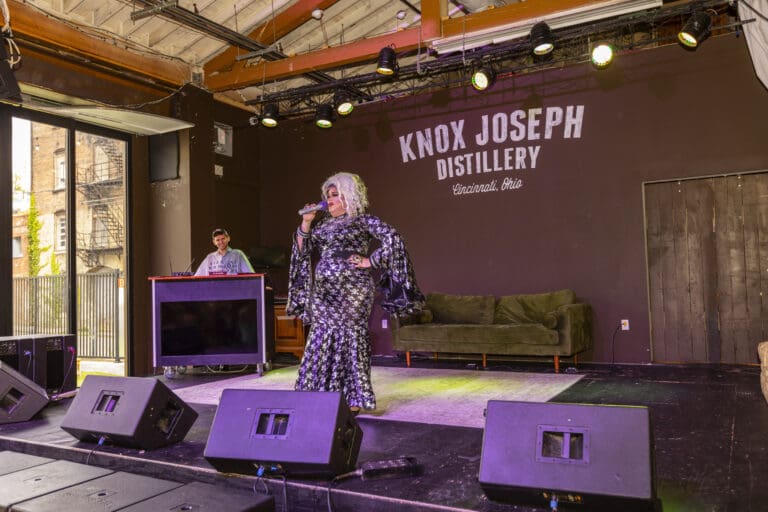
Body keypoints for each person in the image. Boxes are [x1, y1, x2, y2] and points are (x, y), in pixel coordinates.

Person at [287, 172, 423, 413]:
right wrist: (306, 222)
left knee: (351, 338)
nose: (329, 200)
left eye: (335, 195)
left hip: (354, 290)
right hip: (324, 292)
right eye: (327, 195)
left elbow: (394, 239)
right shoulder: (323, 225)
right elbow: (303, 250)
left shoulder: (362, 220)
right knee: (321, 337)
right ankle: (320, 394)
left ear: (348, 196)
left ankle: (354, 398)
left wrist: (371, 261)